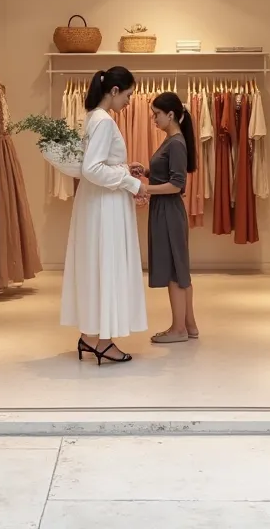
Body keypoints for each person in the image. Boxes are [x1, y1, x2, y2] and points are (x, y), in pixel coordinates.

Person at [60, 66, 148, 364]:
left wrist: (124, 168)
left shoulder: (92, 118)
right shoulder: (105, 121)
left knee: (97, 266)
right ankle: (104, 342)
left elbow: (96, 164)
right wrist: (131, 182)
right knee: (107, 265)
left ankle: (89, 337)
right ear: (114, 91)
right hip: (104, 207)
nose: (129, 101)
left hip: (96, 202)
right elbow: (92, 169)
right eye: (128, 94)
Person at [130, 91, 198, 344]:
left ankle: (178, 329)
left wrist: (144, 188)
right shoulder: (172, 141)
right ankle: (188, 325)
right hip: (165, 210)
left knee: (174, 270)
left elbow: (177, 185)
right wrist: (146, 172)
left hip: (168, 210)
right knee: (178, 267)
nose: (153, 119)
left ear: (171, 115)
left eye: (156, 114)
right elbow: (167, 175)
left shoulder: (176, 143)